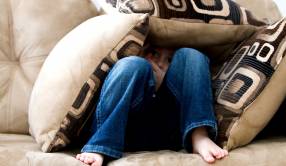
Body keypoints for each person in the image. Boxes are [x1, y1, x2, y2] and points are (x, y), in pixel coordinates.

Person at [76, 45, 228, 166]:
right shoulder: (138, 66)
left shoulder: (178, 74)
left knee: (191, 54)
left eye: (170, 60)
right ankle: (100, 146)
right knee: (132, 64)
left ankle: (199, 135)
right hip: (125, 129)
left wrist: (162, 84)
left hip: (170, 131)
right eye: (154, 53)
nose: (160, 63)